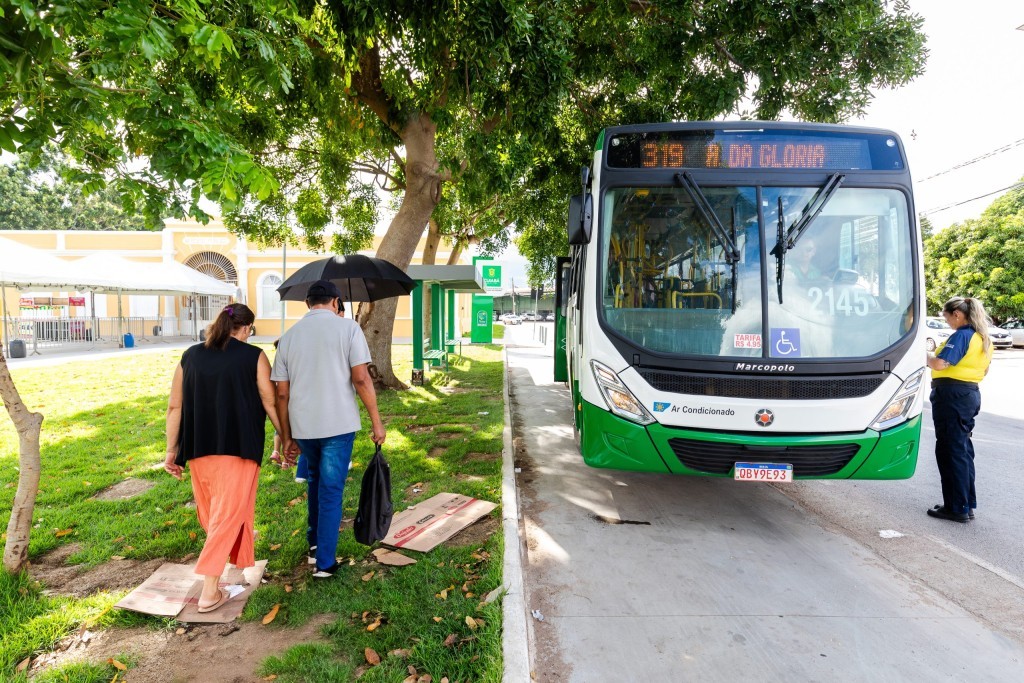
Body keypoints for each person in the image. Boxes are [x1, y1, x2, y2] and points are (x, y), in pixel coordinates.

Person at [164, 303, 287, 612]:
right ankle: (209, 591)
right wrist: (285, 437)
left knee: (217, 514)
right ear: (245, 329)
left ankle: (234, 562)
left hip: (198, 450)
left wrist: (171, 452)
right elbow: (270, 400)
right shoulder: (253, 356)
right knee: (224, 516)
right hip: (240, 447)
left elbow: (174, 407)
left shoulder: (190, 356)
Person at [272, 280, 386, 578]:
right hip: (337, 424)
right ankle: (325, 562)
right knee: (331, 489)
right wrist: (377, 421)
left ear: (308, 303)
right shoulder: (348, 329)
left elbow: (281, 394)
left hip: (302, 425)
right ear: (336, 301)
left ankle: (314, 544)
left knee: (314, 481)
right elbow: (361, 379)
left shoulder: (288, 337)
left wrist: (286, 436)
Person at [925, 296, 993, 523]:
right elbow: (984, 372)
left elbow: (941, 363)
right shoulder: (983, 338)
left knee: (949, 451)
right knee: (962, 450)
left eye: (946, 317)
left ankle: (956, 508)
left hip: (952, 396)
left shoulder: (962, 336)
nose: (947, 322)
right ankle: (965, 503)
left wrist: (923, 356)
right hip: (969, 394)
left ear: (957, 314)